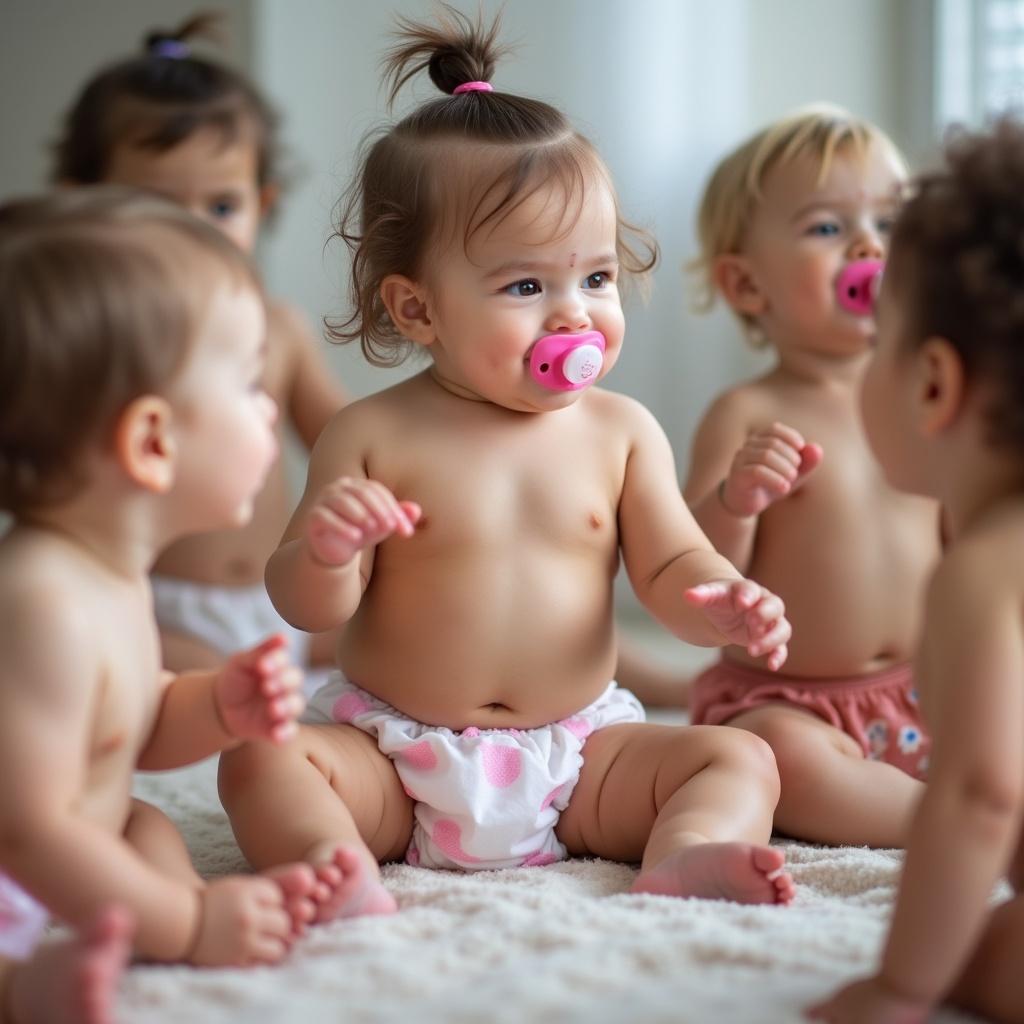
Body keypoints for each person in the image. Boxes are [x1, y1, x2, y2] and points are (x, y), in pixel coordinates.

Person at [219, 7, 797, 922]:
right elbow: (304, 606)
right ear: (416, 310)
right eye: (527, 286)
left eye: (596, 278)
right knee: (260, 761)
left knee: (739, 755)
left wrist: (720, 597)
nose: (575, 316)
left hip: (577, 760)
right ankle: (336, 867)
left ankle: (687, 852)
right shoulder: (373, 434)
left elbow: (671, 565)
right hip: (396, 761)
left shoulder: (622, 431)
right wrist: (329, 551)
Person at [0, 188, 343, 1006]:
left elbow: (125, 729)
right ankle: (29, 988)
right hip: (18, 854)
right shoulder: (41, 600)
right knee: (111, 840)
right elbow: (27, 827)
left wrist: (214, 707)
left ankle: (142, 926)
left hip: (70, 837)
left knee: (145, 823)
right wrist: (188, 925)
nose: (268, 408)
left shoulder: (108, 576)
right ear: (154, 442)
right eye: (248, 385)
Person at [807, 117, 1024, 1024]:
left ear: (933, 384)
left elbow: (979, 795)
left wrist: (905, 987)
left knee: (991, 965)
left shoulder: (984, 571)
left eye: (876, 338)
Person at [53, 13, 347, 679]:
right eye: (155, 205)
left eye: (221, 207)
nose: (193, 232)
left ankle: (619, 673)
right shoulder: (94, 337)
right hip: (154, 609)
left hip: (282, 601)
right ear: (84, 208)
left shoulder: (280, 328)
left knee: (445, 628)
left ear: (261, 204)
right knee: (170, 683)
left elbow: (345, 438)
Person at [678, 105, 941, 848]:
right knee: (773, 758)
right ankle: (938, 820)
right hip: (799, 704)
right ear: (747, 284)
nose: (868, 245)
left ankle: (971, 792)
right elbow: (694, 567)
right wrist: (737, 499)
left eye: (890, 225)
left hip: (938, 684)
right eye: (828, 228)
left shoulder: (932, 393)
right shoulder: (748, 413)